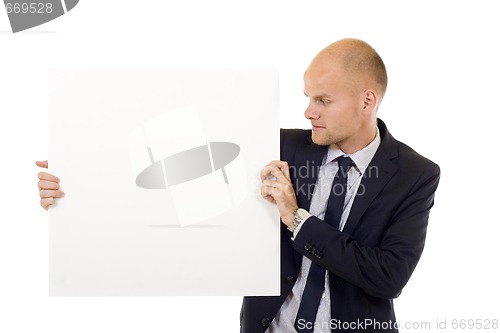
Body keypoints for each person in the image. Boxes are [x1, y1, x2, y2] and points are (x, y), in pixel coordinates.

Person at [37, 38, 440, 333]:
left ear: (367, 101)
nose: (308, 111)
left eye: (323, 100)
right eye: (307, 97)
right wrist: (78, 177)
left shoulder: (414, 174)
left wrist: (295, 218)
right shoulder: (278, 145)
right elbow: (175, 163)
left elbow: (389, 276)